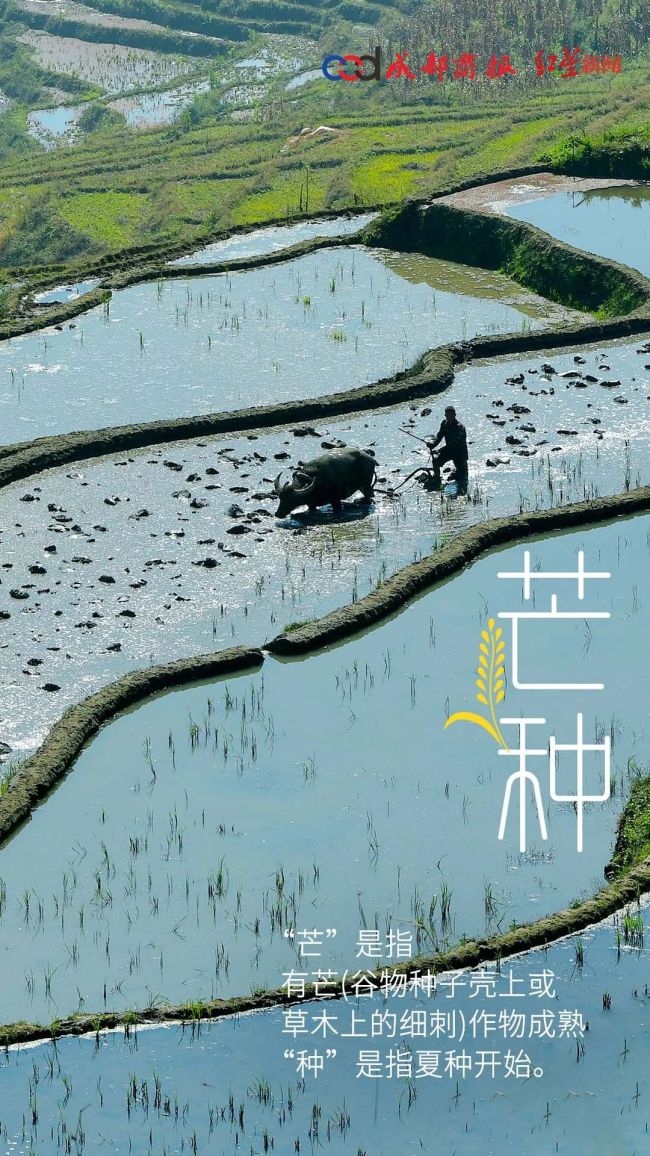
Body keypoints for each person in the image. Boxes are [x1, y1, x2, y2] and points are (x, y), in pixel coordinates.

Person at [426, 406, 468, 492]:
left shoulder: (460, 427)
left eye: (451, 415)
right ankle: (437, 478)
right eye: (447, 415)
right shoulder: (444, 424)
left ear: (455, 415)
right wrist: (432, 445)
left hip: (460, 453)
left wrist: (439, 451)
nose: (449, 417)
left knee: (462, 476)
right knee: (436, 461)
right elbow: (439, 437)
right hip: (449, 451)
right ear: (445, 415)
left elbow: (453, 443)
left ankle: (458, 475)